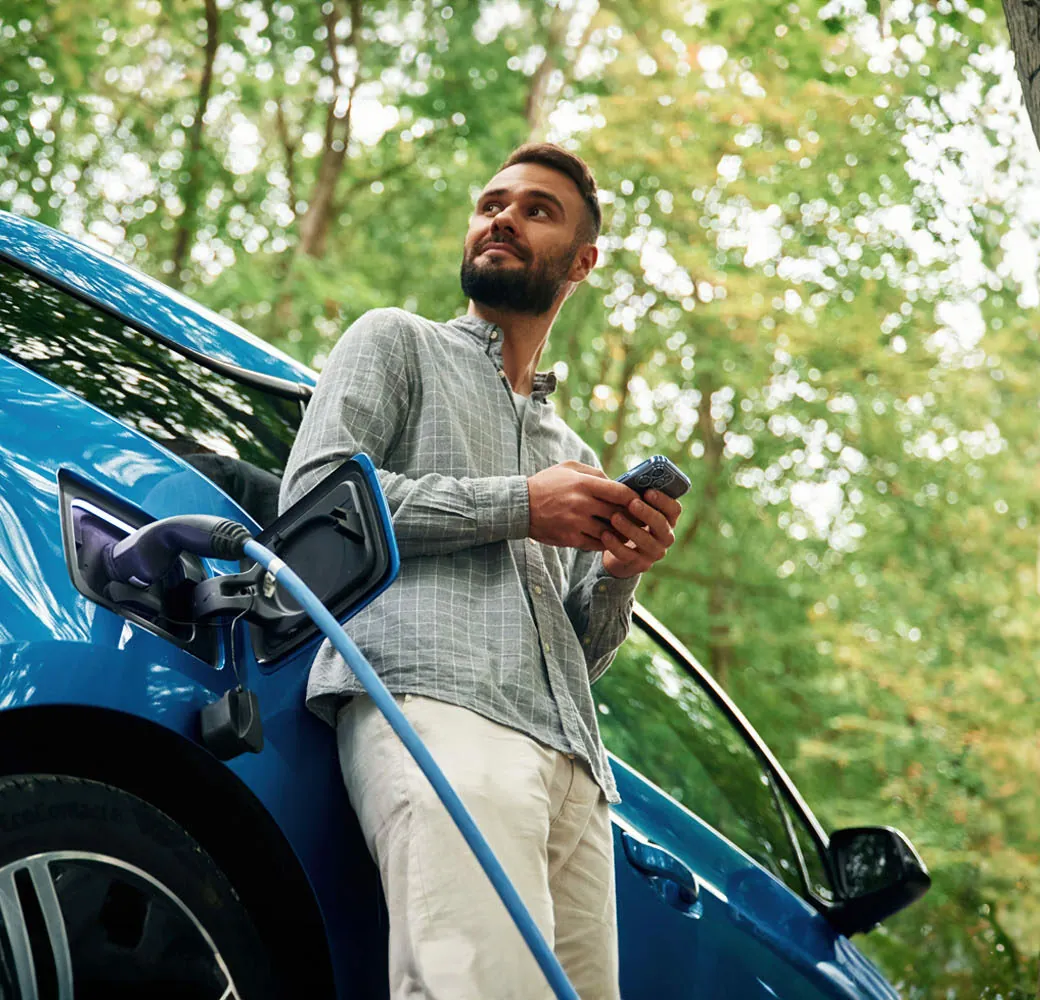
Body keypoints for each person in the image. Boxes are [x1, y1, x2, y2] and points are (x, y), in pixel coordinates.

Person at [279, 143, 682, 1000]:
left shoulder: (573, 454)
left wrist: (618, 571)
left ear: (582, 262)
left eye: (536, 209)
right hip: (434, 704)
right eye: (491, 203)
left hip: (578, 775)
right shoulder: (396, 342)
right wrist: (519, 506)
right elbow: (313, 511)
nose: (501, 216)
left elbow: (586, 653)